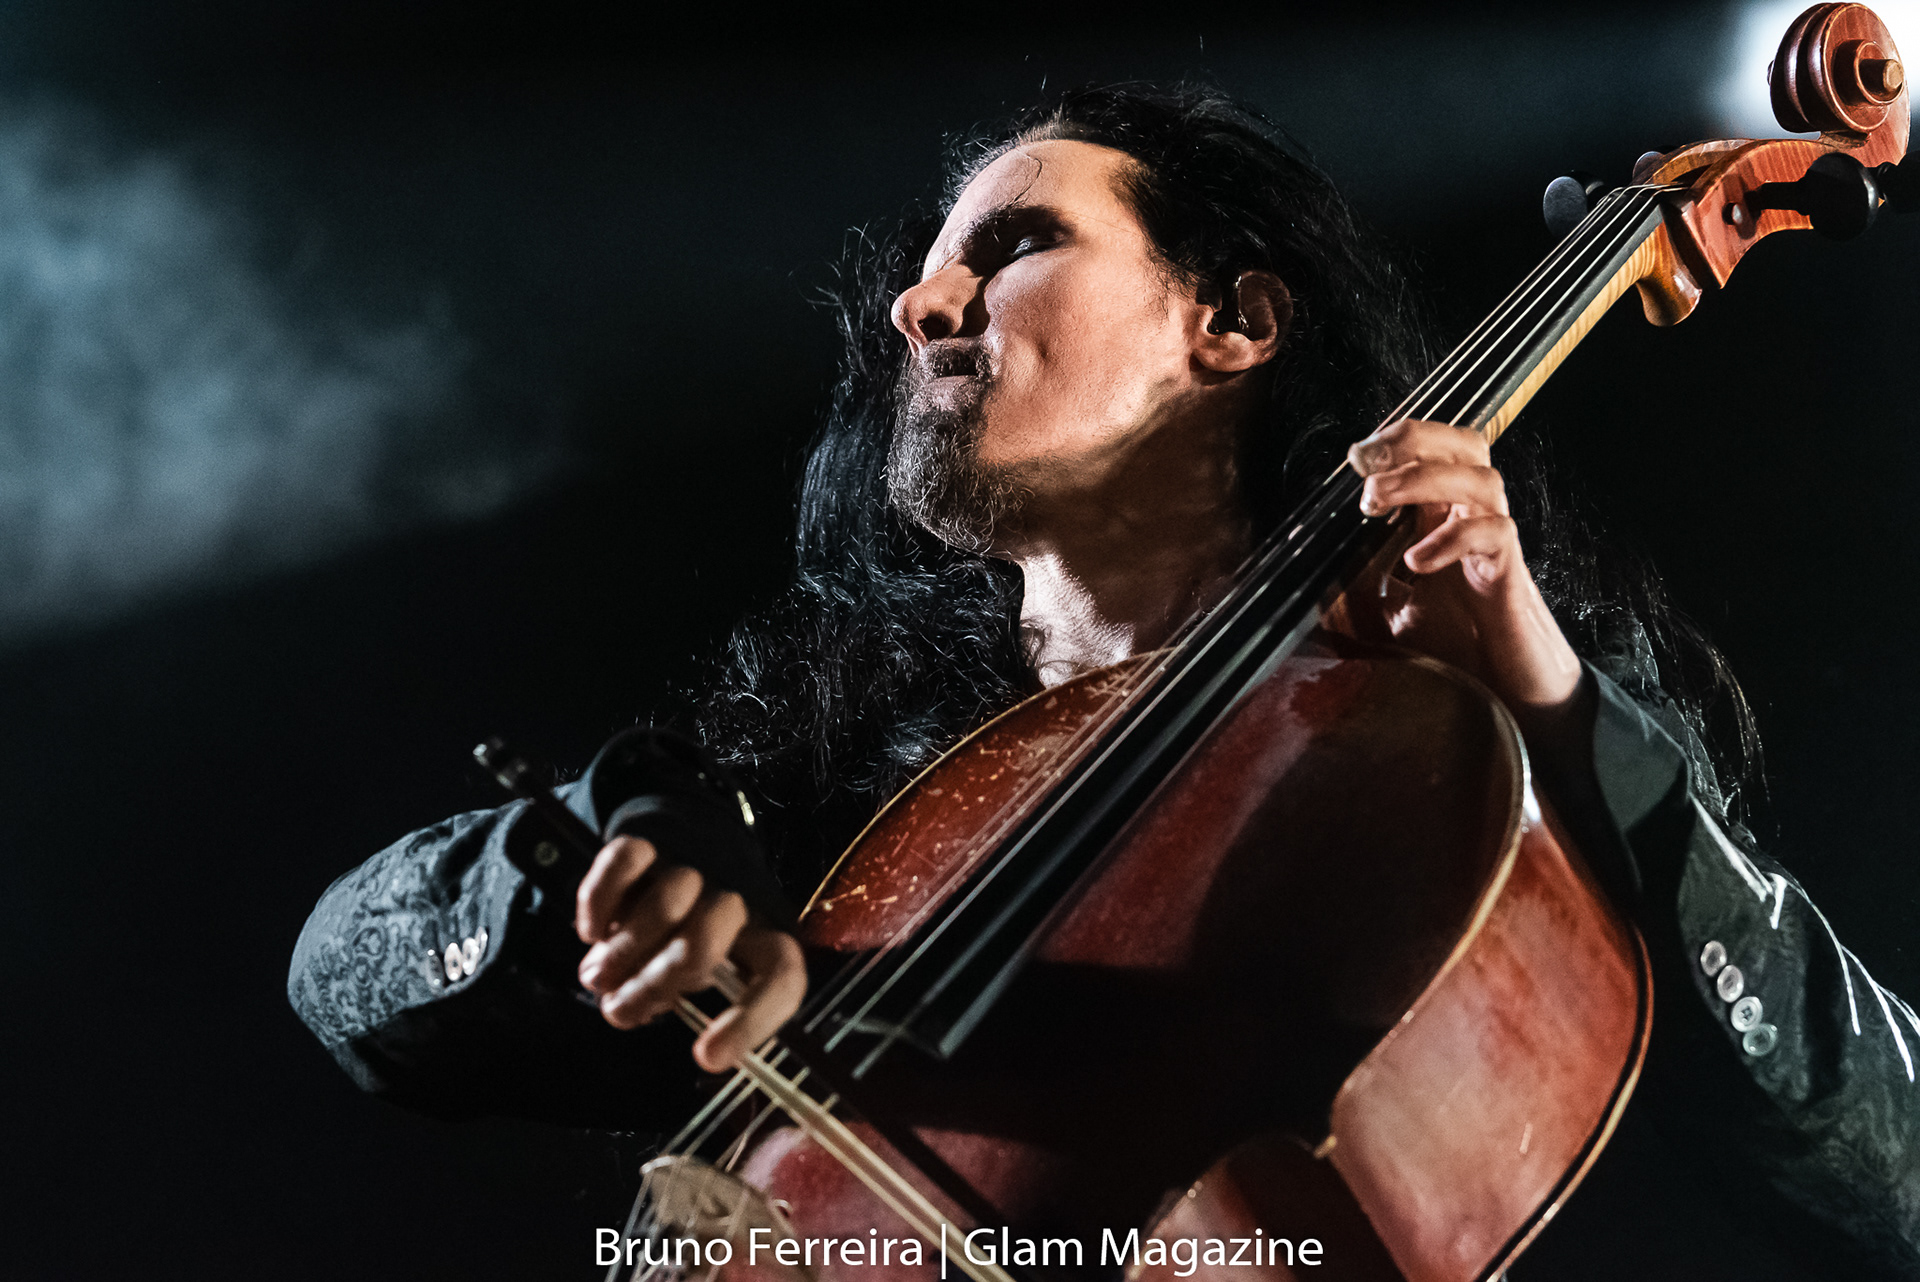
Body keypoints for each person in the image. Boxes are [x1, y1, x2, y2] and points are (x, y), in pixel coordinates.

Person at [289, 85, 1920, 1278]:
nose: (919, 301)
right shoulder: (864, 794)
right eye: (928, 269)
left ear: (1235, 324)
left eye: (1014, 245)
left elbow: (1890, 1156)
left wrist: (1552, 701)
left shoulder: (1477, 757)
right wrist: (615, 838)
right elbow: (336, 973)